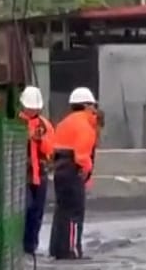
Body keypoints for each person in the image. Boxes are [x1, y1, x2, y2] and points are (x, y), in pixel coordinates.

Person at [49, 87, 100, 259]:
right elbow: (82, 156)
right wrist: (86, 172)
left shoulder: (64, 123)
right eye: (93, 105)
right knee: (75, 212)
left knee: (61, 211)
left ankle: (57, 249)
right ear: (86, 106)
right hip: (73, 170)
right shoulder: (85, 125)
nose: (95, 109)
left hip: (59, 168)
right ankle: (72, 250)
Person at [19, 86, 56, 258]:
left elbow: (50, 149)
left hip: (39, 173)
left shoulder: (45, 125)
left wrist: (40, 140)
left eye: (34, 107)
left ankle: (31, 246)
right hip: (21, 174)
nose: (32, 110)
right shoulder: (17, 123)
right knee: (24, 209)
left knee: (37, 212)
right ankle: (20, 245)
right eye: (29, 107)